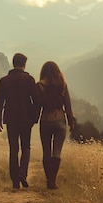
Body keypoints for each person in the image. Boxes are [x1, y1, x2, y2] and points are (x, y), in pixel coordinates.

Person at [0, 53, 40, 190]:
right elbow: (36, 101)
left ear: (13, 63)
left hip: (11, 119)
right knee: (26, 147)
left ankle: (15, 182)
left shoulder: (4, 80)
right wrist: (34, 118)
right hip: (26, 119)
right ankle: (22, 174)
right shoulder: (29, 80)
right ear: (24, 64)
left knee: (13, 149)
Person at [36, 61, 75, 189]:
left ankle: (49, 180)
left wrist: (33, 120)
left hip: (45, 120)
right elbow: (68, 105)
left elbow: (37, 105)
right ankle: (52, 181)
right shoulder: (62, 85)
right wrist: (71, 121)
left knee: (46, 152)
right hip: (60, 121)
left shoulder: (40, 86)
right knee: (56, 152)